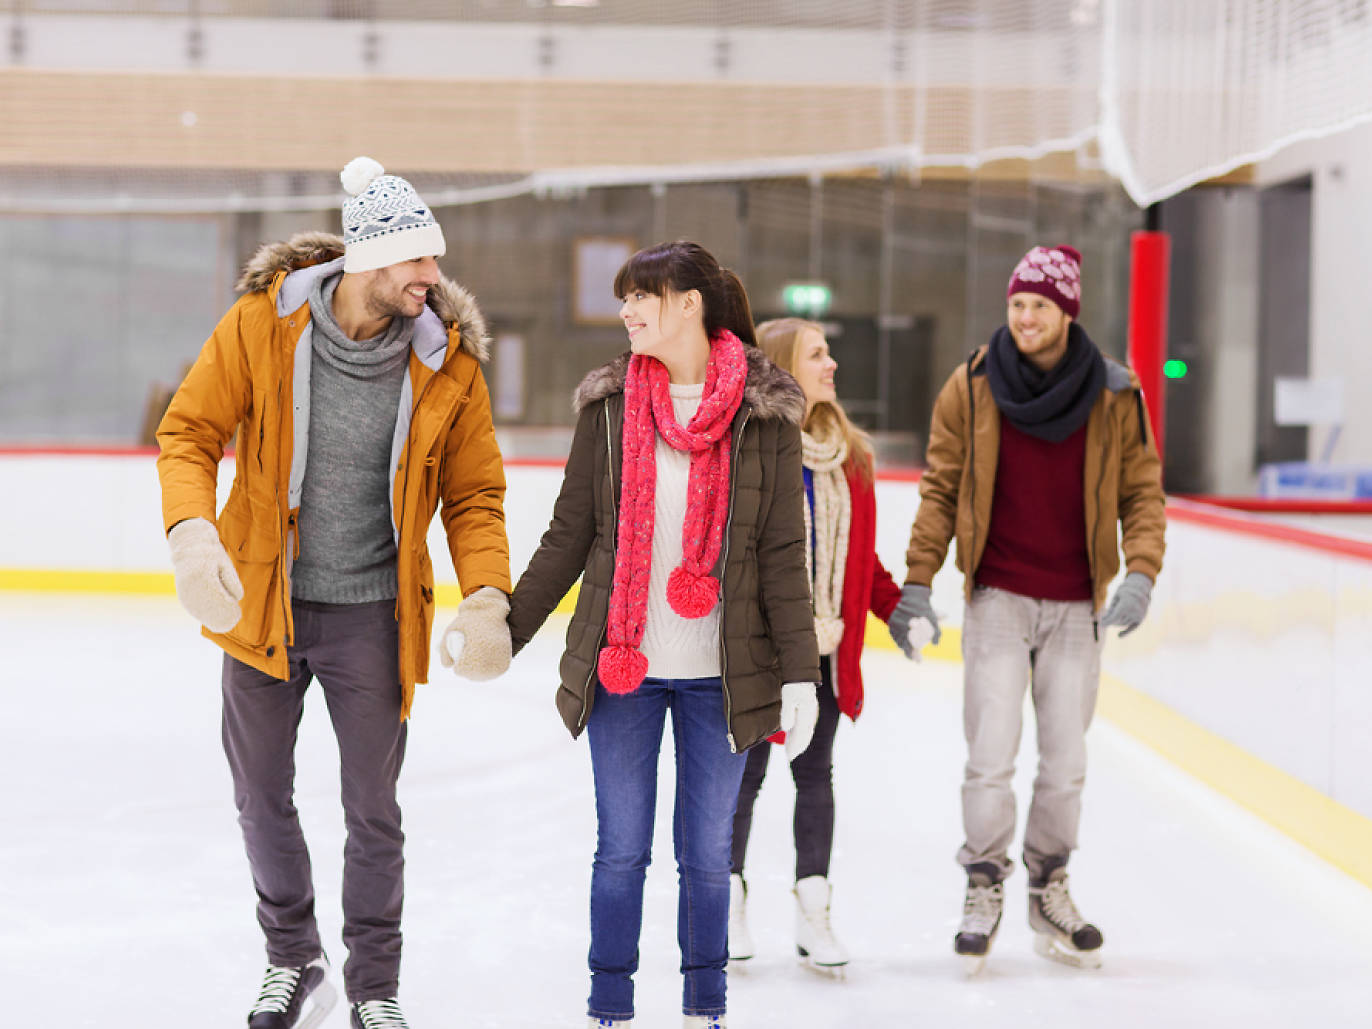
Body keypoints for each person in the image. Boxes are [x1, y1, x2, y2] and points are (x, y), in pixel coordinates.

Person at [156, 156, 513, 1029]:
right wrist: (193, 537)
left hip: (372, 616)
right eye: (417, 261)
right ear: (367, 259)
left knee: (372, 808)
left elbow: (474, 495)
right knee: (260, 793)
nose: (433, 277)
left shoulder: (447, 366)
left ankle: (374, 986)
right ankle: (292, 957)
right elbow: (190, 432)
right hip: (263, 603)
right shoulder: (262, 326)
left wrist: (488, 595)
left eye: (434, 261)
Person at [506, 241, 822, 1029]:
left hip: (726, 672)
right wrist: (505, 629)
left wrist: (800, 671)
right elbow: (568, 536)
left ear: (690, 303)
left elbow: (785, 553)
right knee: (621, 851)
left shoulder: (764, 413)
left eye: (641, 294)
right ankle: (610, 1006)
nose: (627, 310)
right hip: (625, 668)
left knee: (708, 859)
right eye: (624, 298)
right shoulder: (609, 408)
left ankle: (702, 1007)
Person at [891, 244, 1165, 973]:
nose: (1026, 317)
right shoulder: (973, 385)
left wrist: (1140, 572)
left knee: (1067, 760)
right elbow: (940, 489)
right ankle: (984, 883)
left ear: (1067, 311)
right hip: (999, 597)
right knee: (989, 756)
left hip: (1078, 602)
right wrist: (918, 581)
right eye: (1017, 304)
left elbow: (1142, 492)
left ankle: (1049, 884)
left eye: (1040, 305)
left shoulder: (1113, 392)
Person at [726, 318, 912, 972]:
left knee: (815, 775)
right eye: (817, 355)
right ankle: (728, 900)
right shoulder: (752, 452)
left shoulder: (850, 458)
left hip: (829, 648)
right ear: (782, 369)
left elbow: (863, 563)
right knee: (744, 777)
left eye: (830, 352)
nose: (832, 364)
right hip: (761, 651)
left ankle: (813, 909)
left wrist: (897, 610)